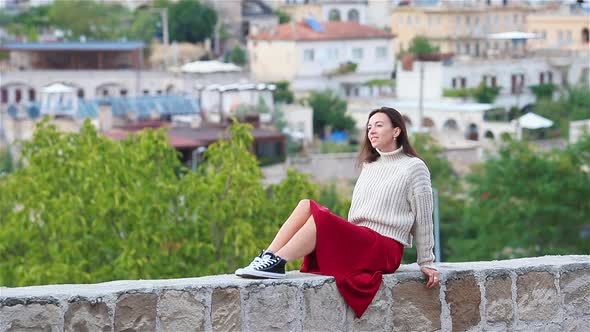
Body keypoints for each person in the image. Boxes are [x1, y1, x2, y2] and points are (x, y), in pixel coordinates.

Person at [235, 106, 440, 317]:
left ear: (396, 131)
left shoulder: (414, 167)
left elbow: (424, 218)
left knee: (322, 218)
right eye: (369, 127)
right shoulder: (370, 165)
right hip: (363, 240)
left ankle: (278, 263)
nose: (372, 131)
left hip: (385, 247)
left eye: (379, 125)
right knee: (306, 204)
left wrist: (426, 262)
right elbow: (358, 212)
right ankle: (269, 257)